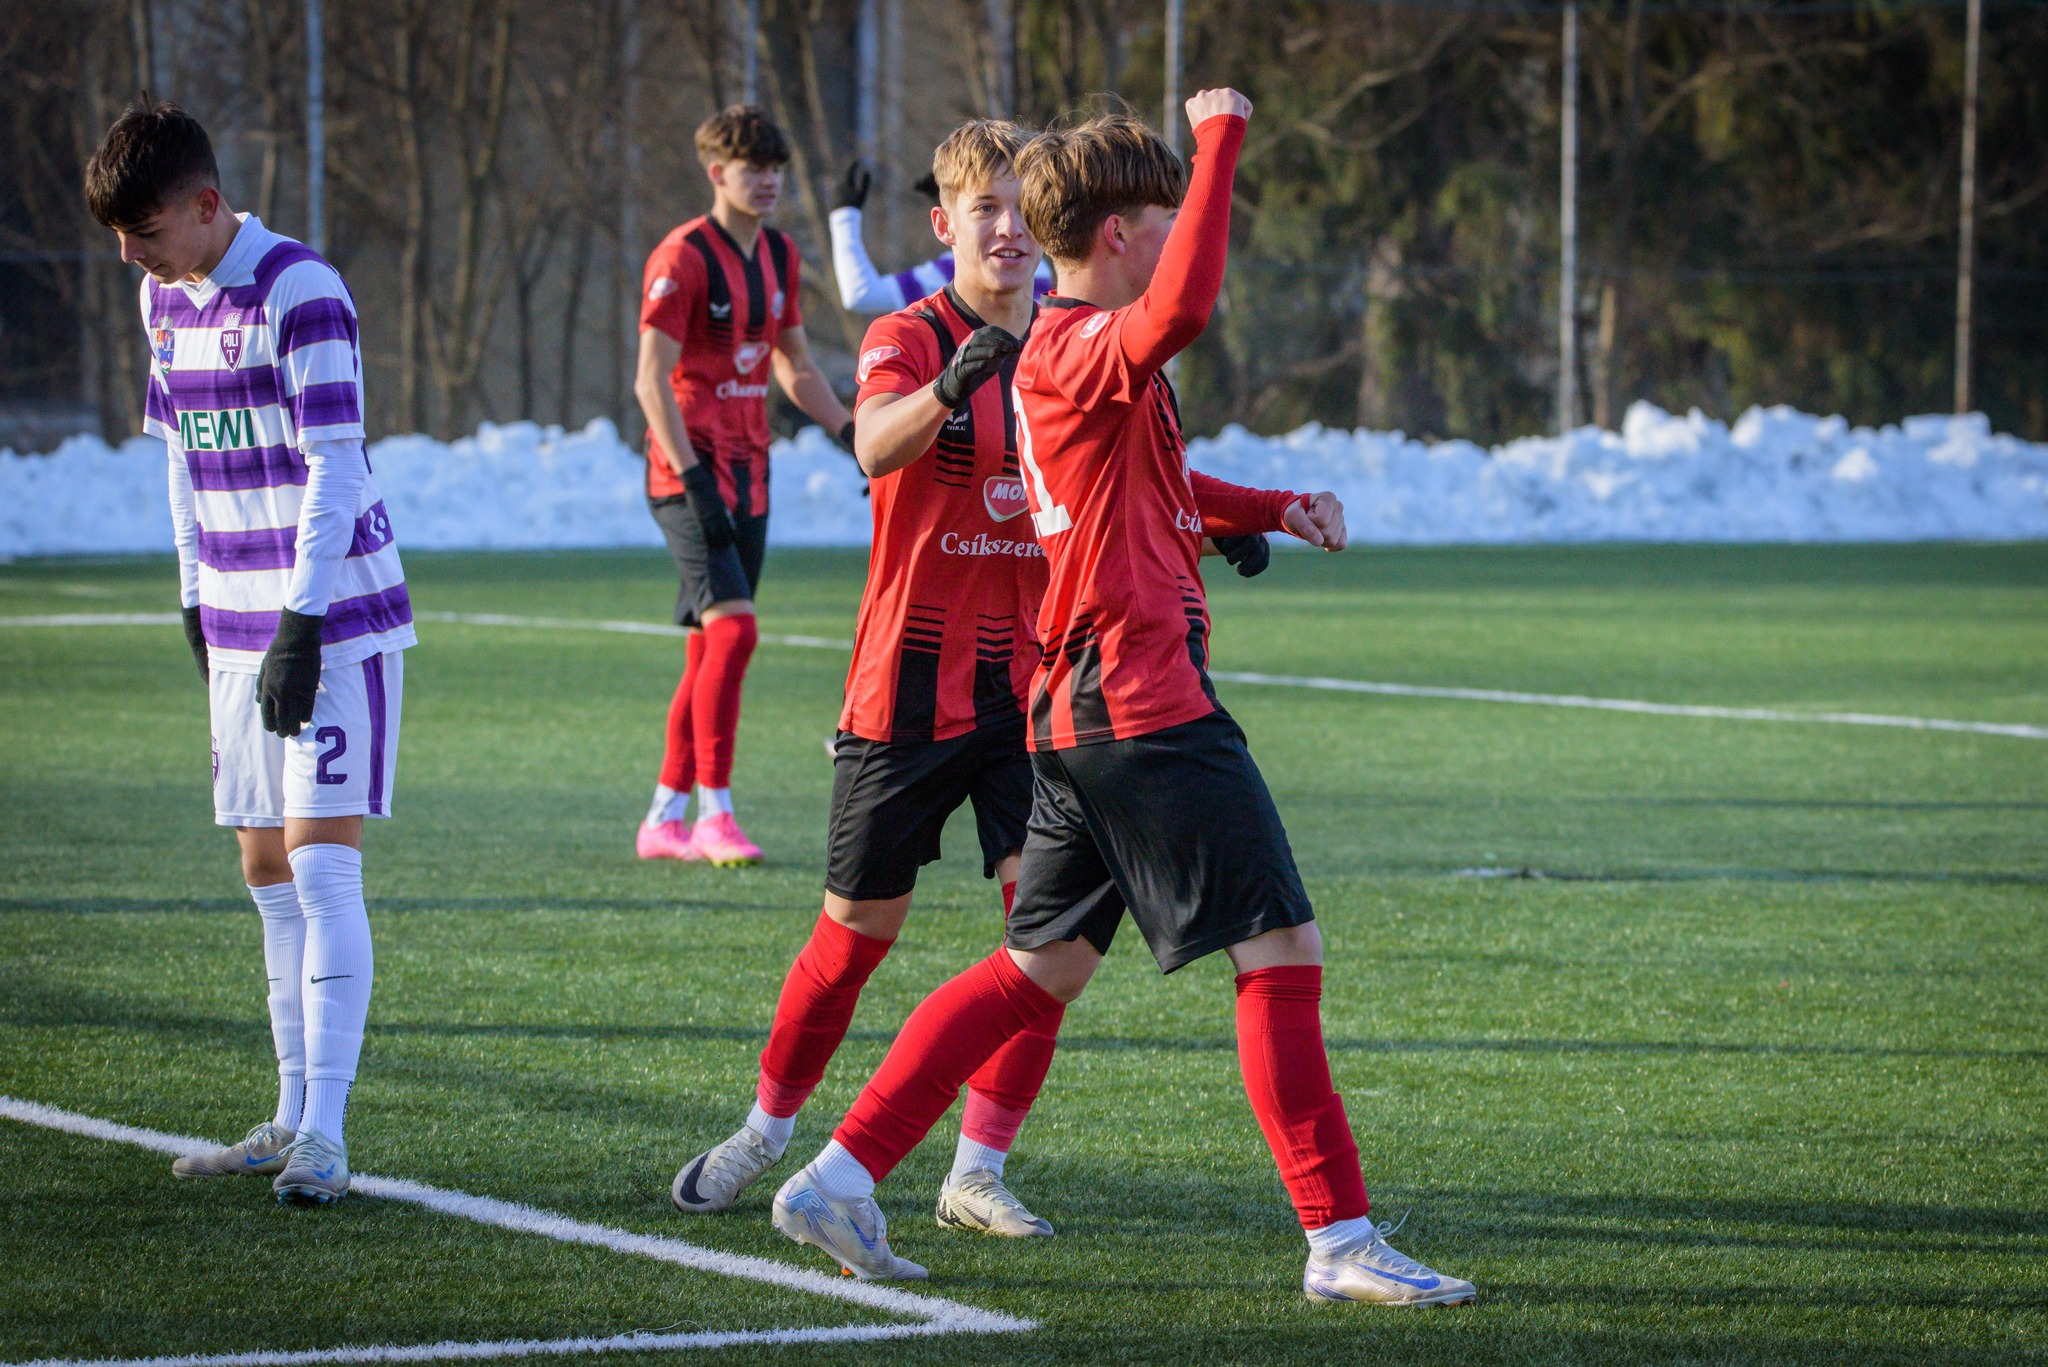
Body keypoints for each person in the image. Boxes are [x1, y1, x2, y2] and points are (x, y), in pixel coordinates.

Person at [767, 93, 1478, 1307]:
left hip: (1078, 708)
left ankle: (842, 1171)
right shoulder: (1089, 339)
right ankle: (1338, 1236)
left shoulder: (1064, 349)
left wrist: (1264, 510)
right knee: (1280, 951)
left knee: (1031, 970)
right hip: (1141, 706)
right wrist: (1223, 143)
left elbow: (1158, 480)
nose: (1178, 228)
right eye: (1162, 211)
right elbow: (1186, 305)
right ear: (1115, 231)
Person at [668, 119, 1065, 1238]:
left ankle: (975, 1167)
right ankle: (766, 1124)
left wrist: (1244, 515)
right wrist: (949, 386)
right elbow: (872, 441)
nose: (1006, 227)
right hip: (902, 694)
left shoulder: (1070, 342)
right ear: (943, 227)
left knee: (1045, 939)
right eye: (982, 208)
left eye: (1020, 207)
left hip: (1026, 697)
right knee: (853, 937)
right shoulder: (907, 332)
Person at [87, 100, 413, 1206]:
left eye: (147, 230)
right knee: (265, 872)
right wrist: (193, 597)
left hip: (331, 617)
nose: (133, 254)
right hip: (234, 620)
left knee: (323, 864)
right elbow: (180, 454)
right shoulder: (159, 297)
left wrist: (302, 620)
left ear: (208, 205)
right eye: (123, 239)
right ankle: (286, 1115)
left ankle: (326, 1130)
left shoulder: (301, 290)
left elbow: (334, 462)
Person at [635, 106, 857, 867]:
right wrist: (692, 480)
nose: (766, 180)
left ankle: (662, 816)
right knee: (734, 631)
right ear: (715, 172)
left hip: (750, 473)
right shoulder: (682, 256)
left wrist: (851, 432)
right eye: (750, 166)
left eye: (774, 167)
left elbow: (792, 364)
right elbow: (649, 380)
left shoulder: (781, 256)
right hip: (688, 474)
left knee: (708, 650)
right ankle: (714, 814)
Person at [828, 161, 1054, 314]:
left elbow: (862, 295)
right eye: (986, 208)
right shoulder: (1037, 263)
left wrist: (844, 217)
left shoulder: (949, 270)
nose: (1009, 228)